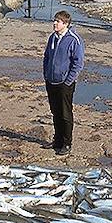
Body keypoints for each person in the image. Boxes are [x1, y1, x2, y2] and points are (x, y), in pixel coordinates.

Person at [43, 10, 84, 156]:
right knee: (55, 112)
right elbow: (46, 57)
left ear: (65, 24)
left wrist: (68, 81)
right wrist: (46, 74)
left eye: (58, 21)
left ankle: (67, 143)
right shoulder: (52, 37)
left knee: (65, 114)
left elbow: (78, 63)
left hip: (65, 83)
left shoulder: (74, 40)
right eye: (54, 20)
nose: (54, 23)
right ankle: (57, 140)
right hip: (51, 81)